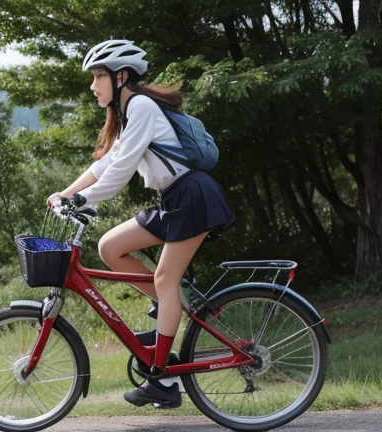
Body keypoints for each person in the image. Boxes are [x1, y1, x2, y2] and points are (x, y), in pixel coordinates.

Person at [46, 39, 235, 409]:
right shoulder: (131, 111)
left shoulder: (142, 106)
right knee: (110, 248)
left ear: (121, 76)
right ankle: (173, 306)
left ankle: (162, 378)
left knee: (165, 279)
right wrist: (66, 192)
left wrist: (85, 200)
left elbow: (120, 171)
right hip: (173, 201)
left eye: (99, 76)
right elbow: (106, 162)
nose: (93, 85)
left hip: (192, 198)